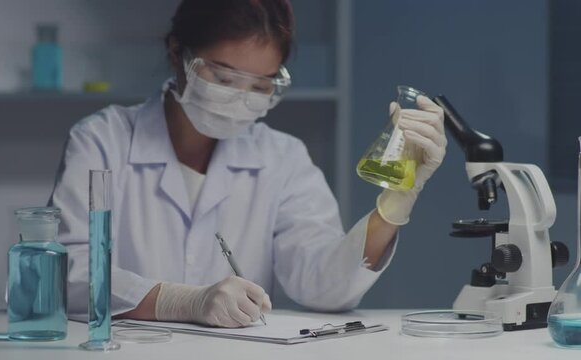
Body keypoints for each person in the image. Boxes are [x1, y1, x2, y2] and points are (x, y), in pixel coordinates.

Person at [49, 0, 446, 328]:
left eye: (260, 86)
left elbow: (324, 286)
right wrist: (182, 301)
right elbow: (69, 275)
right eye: (223, 78)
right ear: (178, 53)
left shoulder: (283, 157)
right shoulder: (104, 139)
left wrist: (397, 201)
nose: (240, 99)